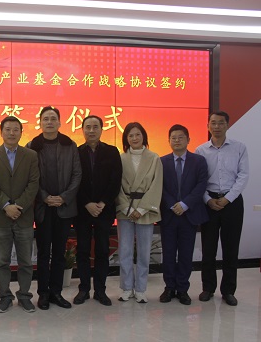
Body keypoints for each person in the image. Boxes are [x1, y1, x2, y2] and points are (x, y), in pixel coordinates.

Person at [0, 116, 40, 313]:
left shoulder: (31, 155)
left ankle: (24, 296)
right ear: (1, 132)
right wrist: (6, 205)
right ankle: (5, 296)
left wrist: (19, 206)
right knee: (2, 262)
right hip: (1, 217)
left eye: (16, 129)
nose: (11, 133)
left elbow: (33, 183)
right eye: (7, 129)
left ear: (21, 133)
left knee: (26, 262)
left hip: (24, 217)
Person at [27, 106, 81, 310]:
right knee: (43, 253)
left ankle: (56, 292)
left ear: (59, 122)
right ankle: (43, 293)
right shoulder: (32, 146)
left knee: (59, 252)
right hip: (43, 208)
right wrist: (44, 197)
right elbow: (30, 177)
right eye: (45, 119)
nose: (49, 122)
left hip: (64, 208)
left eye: (53, 119)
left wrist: (64, 197)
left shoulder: (70, 145)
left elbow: (77, 174)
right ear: (40, 123)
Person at [195, 111, 249, 306]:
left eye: (220, 123)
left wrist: (227, 199)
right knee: (208, 249)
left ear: (227, 125)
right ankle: (208, 288)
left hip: (232, 203)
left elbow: (243, 175)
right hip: (208, 203)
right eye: (213, 123)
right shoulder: (201, 150)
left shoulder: (239, 148)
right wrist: (208, 200)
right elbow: (198, 179)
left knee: (231, 248)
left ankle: (228, 291)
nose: (216, 126)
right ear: (208, 125)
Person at [73, 115, 122, 306]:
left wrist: (103, 202)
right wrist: (87, 203)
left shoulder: (112, 151)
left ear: (102, 129)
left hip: (104, 210)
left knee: (102, 250)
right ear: (82, 130)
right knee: (83, 251)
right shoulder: (76, 152)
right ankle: (84, 289)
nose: (91, 130)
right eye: (88, 127)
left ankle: (100, 291)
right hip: (82, 210)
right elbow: (74, 181)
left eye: (95, 127)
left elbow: (115, 180)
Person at [159, 124, 208, 305]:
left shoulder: (199, 161)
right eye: (173, 138)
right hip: (169, 214)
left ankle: (182, 289)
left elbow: (201, 185)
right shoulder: (161, 162)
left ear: (188, 140)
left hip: (189, 215)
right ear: (169, 141)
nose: (177, 141)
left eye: (180, 137)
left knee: (186, 254)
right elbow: (159, 187)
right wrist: (173, 204)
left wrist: (185, 204)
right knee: (168, 253)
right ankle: (169, 288)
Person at [115, 122, 162, 304]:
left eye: (137, 134)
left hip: (145, 210)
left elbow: (156, 185)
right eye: (130, 135)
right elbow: (116, 186)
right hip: (125, 209)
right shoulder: (120, 159)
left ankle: (141, 289)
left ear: (144, 136)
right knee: (125, 250)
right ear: (126, 139)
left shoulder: (154, 158)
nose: (134, 138)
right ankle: (127, 288)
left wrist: (141, 209)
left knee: (144, 252)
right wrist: (126, 207)